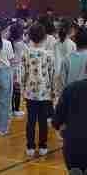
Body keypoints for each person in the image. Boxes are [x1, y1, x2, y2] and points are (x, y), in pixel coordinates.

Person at [21, 23, 55, 157]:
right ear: (45, 37)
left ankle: (30, 146)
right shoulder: (49, 54)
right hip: (45, 92)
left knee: (31, 120)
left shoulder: (26, 53)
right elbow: (52, 74)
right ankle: (42, 146)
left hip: (30, 92)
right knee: (43, 120)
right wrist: (53, 91)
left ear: (30, 37)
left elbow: (23, 73)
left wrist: (23, 88)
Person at [53, 19, 76, 104]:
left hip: (56, 72)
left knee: (57, 97)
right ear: (70, 30)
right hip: (67, 73)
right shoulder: (72, 44)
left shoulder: (55, 43)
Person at [9, 23, 28, 117]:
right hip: (17, 69)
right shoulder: (21, 44)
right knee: (17, 91)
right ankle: (16, 110)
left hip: (10, 69)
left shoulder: (9, 42)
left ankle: (11, 109)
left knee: (11, 91)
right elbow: (27, 52)